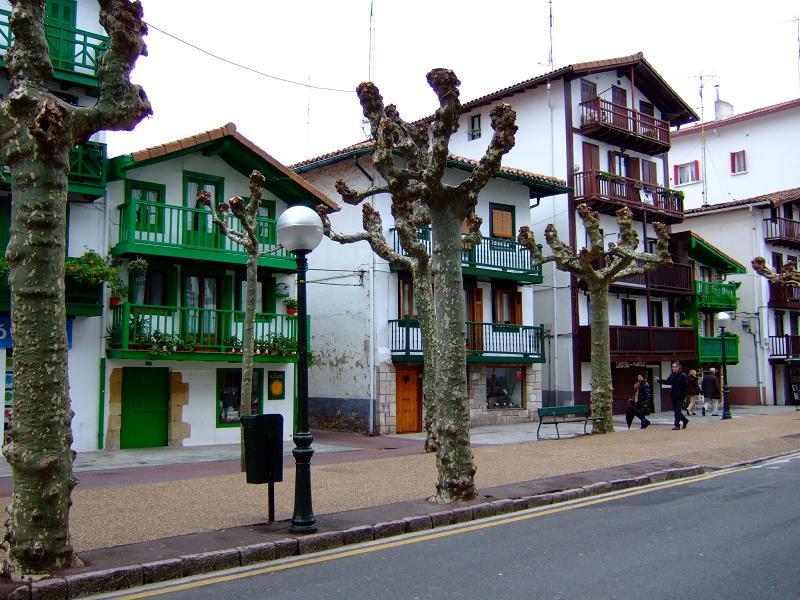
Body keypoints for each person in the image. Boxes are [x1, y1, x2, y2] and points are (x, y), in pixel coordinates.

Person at [658, 361, 689, 430]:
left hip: (681, 396)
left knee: (677, 410)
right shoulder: (672, 375)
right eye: (672, 367)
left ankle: (677, 425)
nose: (672, 368)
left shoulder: (683, 376)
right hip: (673, 395)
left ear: (678, 367)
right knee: (676, 411)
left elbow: (686, 386)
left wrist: (684, 394)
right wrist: (659, 380)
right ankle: (685, 420)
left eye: (673, 367)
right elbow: (668, 382)